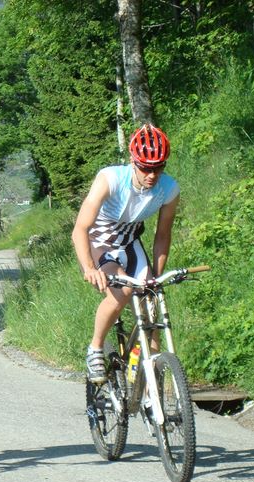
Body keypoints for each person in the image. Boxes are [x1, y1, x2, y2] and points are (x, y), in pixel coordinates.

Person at [71, 124, 180, 384]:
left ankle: (149, 384)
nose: (152, 175)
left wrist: (156, 277)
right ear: (133, 161)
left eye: (158, 167)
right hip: (100, 242)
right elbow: (80, 230)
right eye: (145, 168)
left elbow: (162, 235)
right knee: (122, 293)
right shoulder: (110, 179)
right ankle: (95, 348)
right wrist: (89, 268)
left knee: (151, 305)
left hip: (130, 242)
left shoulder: (169, 189)